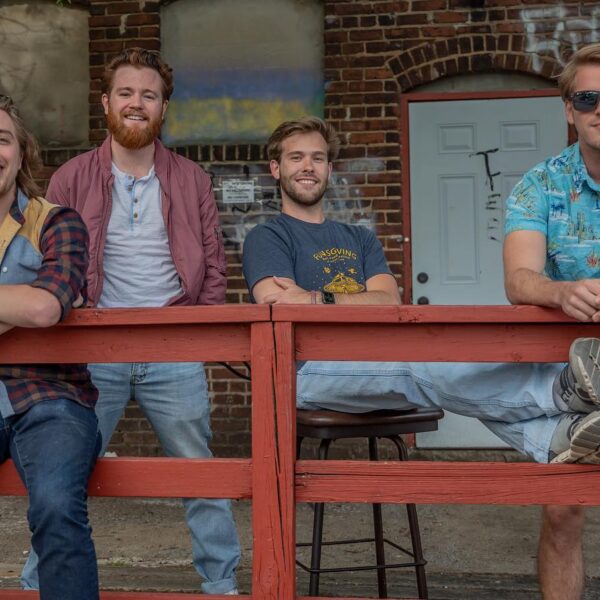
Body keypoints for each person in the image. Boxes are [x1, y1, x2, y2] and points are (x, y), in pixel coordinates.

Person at [242, 110, 600, 599]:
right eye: (297, 157)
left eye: (318, 158)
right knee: (421, 366)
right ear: (275, 169)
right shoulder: (268, 236)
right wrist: (344, 301)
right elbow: (275, 300)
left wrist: (317, 298)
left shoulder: (360, 237)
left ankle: (553, 436)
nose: (308, 166)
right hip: (306, 374)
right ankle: (560, 391)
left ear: (329, 169)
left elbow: (388, 300)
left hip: (376, 364)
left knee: (439, 371)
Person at [22, 49, 240, 596]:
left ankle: (222, 584)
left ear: (164, 107)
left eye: (149, 94)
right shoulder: (72, 176)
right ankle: (33, 583)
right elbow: (49, 258)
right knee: (65, 468)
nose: (137, 103)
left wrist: (198, 333)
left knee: (200, 471)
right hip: (96, 344)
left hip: (172, 344)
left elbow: (214, 264)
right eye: (126, 93)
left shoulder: (191, 179)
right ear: (106, 103)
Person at [0, 95, 100, 599]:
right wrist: (18, 302)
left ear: (21, 153)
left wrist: (35, 304)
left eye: (1, 139)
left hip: (50, 396)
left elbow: (45, 308)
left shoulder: (58, 221)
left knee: (57, 506)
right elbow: (34, 305)